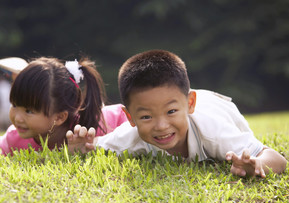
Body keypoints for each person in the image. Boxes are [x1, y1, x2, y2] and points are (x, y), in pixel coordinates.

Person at [67, 49, 287, 178]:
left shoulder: (213, 131)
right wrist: (80, 147)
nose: (161, 125)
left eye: (171, 112)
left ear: (190, 103)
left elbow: (277, 159)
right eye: (146, 117)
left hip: (217, 106)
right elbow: (95, 147)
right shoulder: (130, 136)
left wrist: (257, 165)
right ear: (130, 117)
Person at [0, 56, 127, 156]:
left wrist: (95, 144)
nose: (18, 118)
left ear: (60, 117)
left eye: (29, 111)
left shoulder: (97, 127)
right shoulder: (14, 140)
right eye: (14, 105)